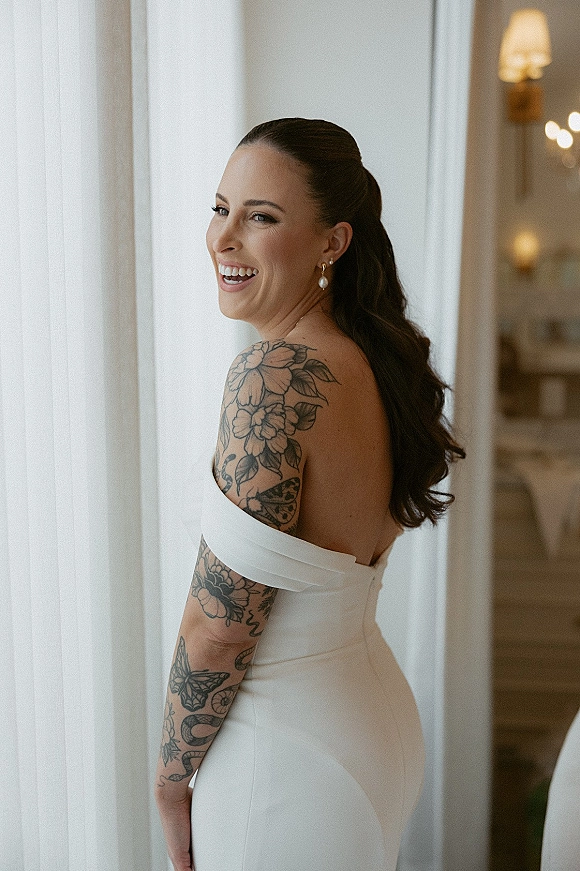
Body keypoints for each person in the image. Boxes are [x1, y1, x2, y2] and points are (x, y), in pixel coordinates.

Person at [154, 117, 465, 871]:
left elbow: (219, 628)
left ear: (333, 241)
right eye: (220, 207)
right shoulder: (372, 361)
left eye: (260, 217)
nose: (224, 238)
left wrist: (170, 777)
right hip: (371, 724)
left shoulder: (273, 376)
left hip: (284, 755)